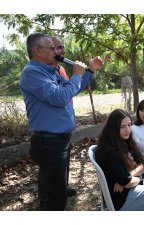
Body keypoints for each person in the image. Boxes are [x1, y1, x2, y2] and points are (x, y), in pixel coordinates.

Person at [20, 32, 103, 210]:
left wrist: (89, 71)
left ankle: (48, 201)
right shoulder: (32, 72)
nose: (55, 51)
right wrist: (77, 75)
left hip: (58, 137)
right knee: (56, 197)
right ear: (38, 51)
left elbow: (71, 89)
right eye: (51, 48)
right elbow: (59, 97)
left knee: (52, 184)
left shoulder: (51, 70)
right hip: (48, 140)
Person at [51, 36, 75, 196]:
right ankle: (54, 193)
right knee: (53, 165)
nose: (62, 51)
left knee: (65, 159)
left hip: (66, 123)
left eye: (62, 47)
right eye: (58, 47)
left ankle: (63, 187)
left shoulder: (61, 69)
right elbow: (58, 97)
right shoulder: (41, 72)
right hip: (53, 129)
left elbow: (70, 91)